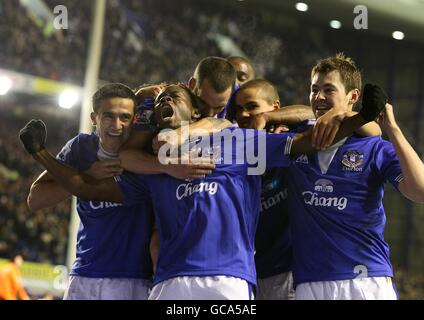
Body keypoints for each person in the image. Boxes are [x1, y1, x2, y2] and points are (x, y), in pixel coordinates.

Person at [19, 82, 385, 299]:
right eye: (159, 101)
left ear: (195, 109)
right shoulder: (152, 160)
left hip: (227, 281)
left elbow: (307, 142)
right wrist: (40, 152)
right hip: (169, 284)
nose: (164, 101)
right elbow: (87, 187)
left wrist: (361, 117)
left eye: (172, 96)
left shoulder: (238, 142)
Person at [283, 53, 424, 300]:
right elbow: (291, 114)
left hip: (366, 282)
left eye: (329, 89)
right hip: (309, 284)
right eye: (314, 90)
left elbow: (420, 191)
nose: (319, 97)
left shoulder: (375, 148)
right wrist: (348, 116)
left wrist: (393, 130)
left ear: (353, 96)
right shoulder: (296, 143)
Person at [234, 78, 382, 300]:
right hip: (255, 271)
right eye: (239, 109)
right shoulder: (236, 144)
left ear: (276, 107)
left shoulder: (295, 132)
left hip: (296, 271)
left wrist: (350, 114)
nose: (245, 114)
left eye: (253, 107)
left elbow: (370, 130)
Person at [27, 83, 155, 300]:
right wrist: (86, 174)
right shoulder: (80, 147)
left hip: (133, 279)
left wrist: (81, 179)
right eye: (108, 116)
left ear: (135, 120)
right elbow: (36, 199)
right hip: (84, 275)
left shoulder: (145, 152)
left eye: (125, 117)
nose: (117, 125)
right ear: (94, 118)